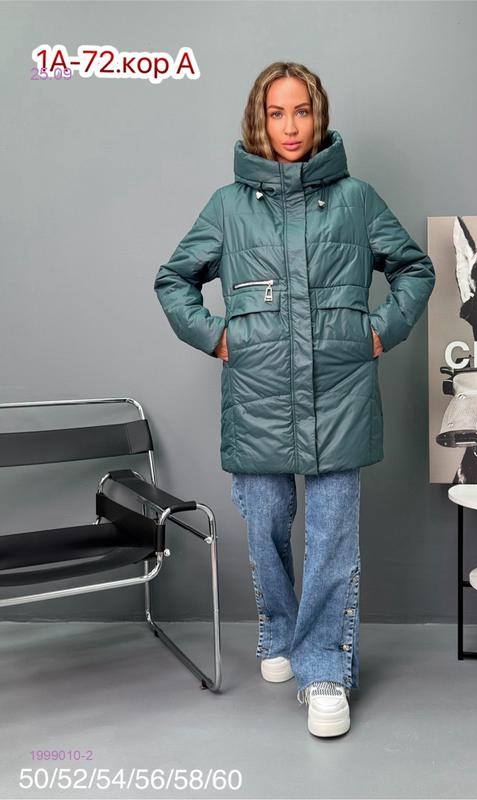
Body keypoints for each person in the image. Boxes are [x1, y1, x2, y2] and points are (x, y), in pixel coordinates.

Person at [154, 61, 436, 738]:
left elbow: (414, 268)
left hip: (341, 394)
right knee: (268, 524)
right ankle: (279, 628)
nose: (289, 127)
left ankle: (325, 670)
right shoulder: (228, 207)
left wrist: (379, 331)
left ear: (319, 117)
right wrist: (218, 337)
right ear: (259, 120)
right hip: (257, 398)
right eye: (276, 113)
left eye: (301, 111)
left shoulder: (357, 199)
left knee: (333, 539)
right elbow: (174, 279)